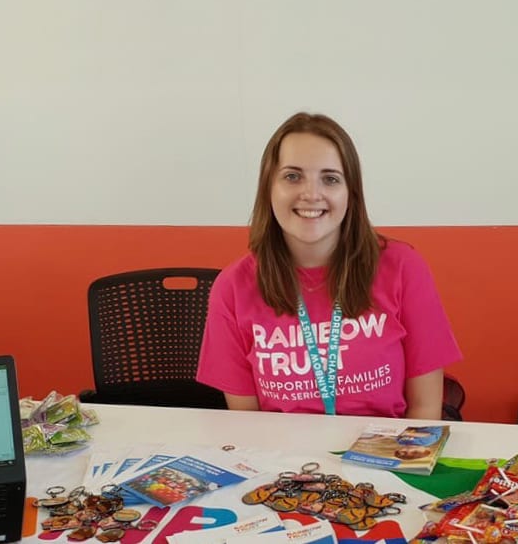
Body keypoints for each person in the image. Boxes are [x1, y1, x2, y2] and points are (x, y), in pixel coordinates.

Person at [196, 112, 462, 419]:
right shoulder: (232, 288)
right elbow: (248, 427)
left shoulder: (403, 267)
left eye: (330, 179)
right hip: (284, 462)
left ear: (351, 193)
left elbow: (425, 410)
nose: (311, 194)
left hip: (385, 459)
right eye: (292, 176)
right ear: (269, 188)